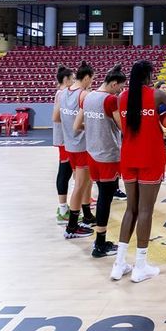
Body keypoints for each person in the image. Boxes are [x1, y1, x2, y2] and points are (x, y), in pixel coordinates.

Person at [111, 60, 166, 283]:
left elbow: (127, 127)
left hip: (128, 157)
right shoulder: (157, 96)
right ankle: (140, 266)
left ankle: (118, 265)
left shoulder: (121, 97)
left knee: (131, 210)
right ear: (148, 76)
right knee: (145, 211)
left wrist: (160, 134)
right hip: (150, 157)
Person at [74, 65, 127, 258]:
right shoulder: (110, 100)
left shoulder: (88, 97)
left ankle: (100, 240)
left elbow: (77, 125)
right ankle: (100, 243)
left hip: (92, 153)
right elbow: (123, 128)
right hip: (108, 156)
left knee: (103, 195)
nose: (120, 91)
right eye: (120, 88)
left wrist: (96, 127)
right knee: (106, 198)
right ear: (113, 84)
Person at [56, 61, 96, 239]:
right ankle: (72, 226)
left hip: (70, 145)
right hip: (82, 145)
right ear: (86, 78)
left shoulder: (63, 93)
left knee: (86, 182)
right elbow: (82, 123)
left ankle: (87, 215)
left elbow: (56, 117)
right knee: (80, 185)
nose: (92, 83)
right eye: (92, 80)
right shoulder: (85, 95)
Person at [52, 66, 75, 224]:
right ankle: (62, 209)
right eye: (72, 79)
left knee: (68, 170)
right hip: (65, 139)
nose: (74, 81)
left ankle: (64, 206)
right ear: (66, 80)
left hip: (66, 138)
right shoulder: (62, 94)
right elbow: (56, 117)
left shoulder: (62, 93)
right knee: (64, 171)